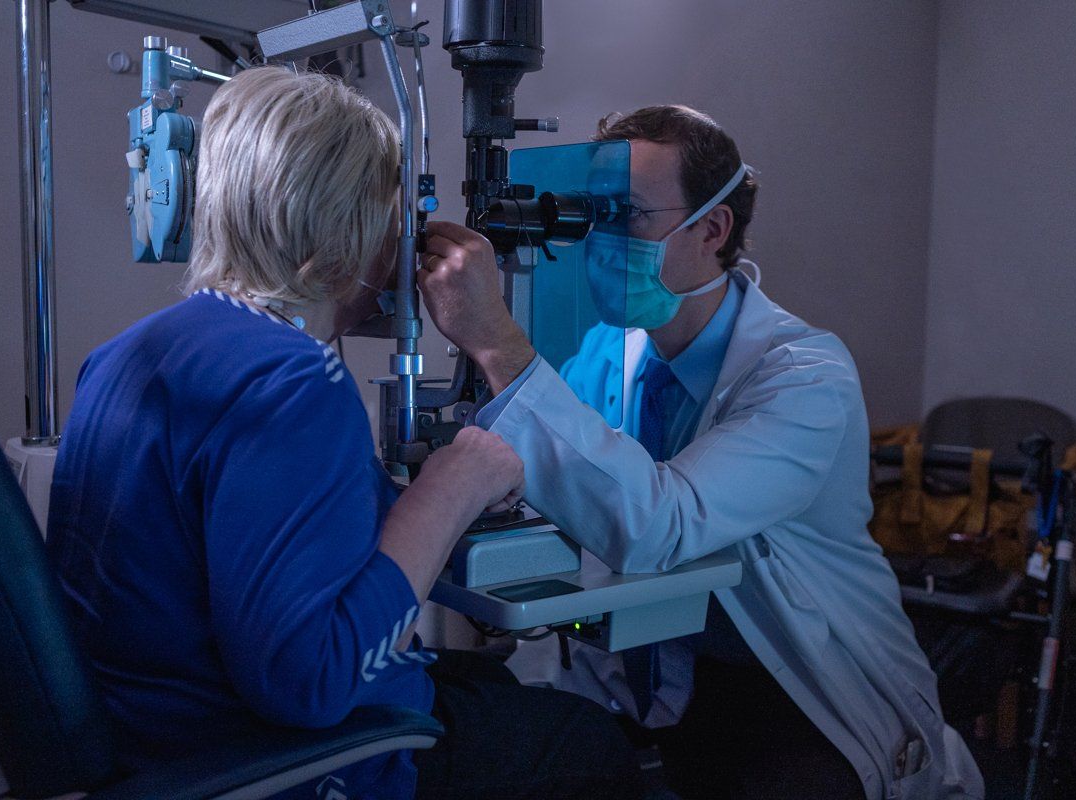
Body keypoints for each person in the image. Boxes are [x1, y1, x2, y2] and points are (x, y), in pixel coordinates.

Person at [47, 67, 640, 800]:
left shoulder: (124, 354)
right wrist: (451, 488)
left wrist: (408, 501)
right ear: (348, 227)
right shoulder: (292, 380)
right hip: (272, 765)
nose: (405, 242)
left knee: (488, 682)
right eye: (397, 215)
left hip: (148, 742)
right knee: (589, 743)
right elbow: (312, 682)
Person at [417, 105, 985, 799]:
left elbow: (661, 525)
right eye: (593, 213)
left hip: (794, 681)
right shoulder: (608, 352)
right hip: (657, 664)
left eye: (627, 215)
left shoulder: (805, 378)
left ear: (713, 229)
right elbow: (552, 473)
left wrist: (497, 341)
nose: (600, 241)